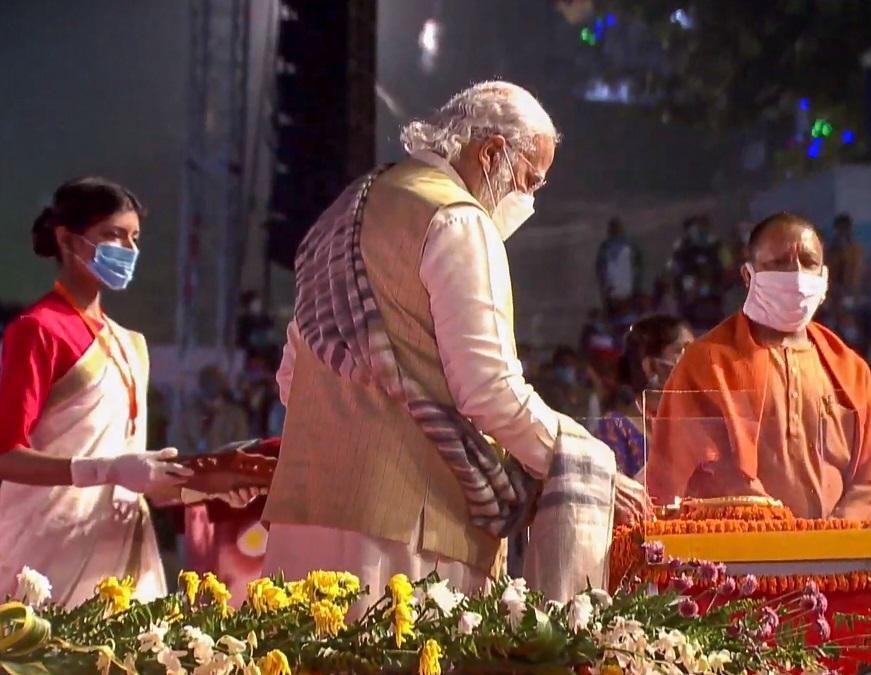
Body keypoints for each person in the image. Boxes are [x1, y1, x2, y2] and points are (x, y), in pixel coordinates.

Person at [262, 82, 649, 602]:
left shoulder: (349, 209)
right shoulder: (459, 220)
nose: (527, 201)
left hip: (303, 516)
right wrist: (583, 462)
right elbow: (489, 390)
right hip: (407, 534)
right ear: (491, 152)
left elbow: (294, 376)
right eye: (529, 181)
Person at [0, 178, 250, 606]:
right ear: (66, 239)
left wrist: (208, 486)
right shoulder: (38, 330)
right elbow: (7, 455)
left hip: (119, 554)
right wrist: (107, 470)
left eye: (134, 238)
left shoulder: (131, 344)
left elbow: (131, 475)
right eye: (112, 235)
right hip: (43, 555)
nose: (128, 250)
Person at [647, 213, 871, 520]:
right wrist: (777, 531)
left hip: (840, 557)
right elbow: (705, 465)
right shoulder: (707, 362)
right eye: (779, 263)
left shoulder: (851, 370)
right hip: (740, 557)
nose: (796, 275)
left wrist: (841, 532)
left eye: (808, 262)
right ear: (748, 276)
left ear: (825, 277)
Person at [596, 315, 693, 479]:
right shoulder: (615, 427)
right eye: (682, 350)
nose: (694, 358)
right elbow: (616, 494)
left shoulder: (695, 422)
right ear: (651, 366)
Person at [595, 217, 643, 320]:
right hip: (621, 291)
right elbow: (638, 267)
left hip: (618, 291)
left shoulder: (607, 246)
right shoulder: (628, 245)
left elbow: (600, 270)